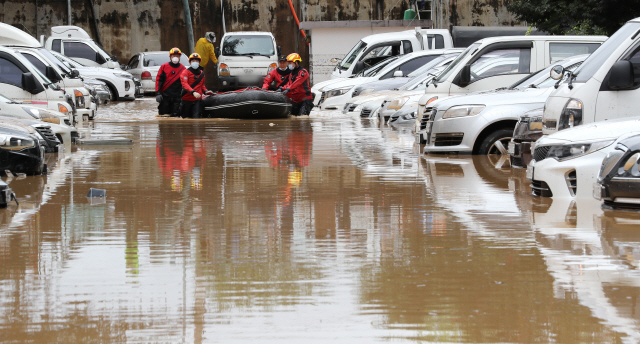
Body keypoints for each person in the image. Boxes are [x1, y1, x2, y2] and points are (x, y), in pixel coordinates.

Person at [180, 53, 213, 118]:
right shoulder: (185, 72)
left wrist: (206, 91)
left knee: (196, 118)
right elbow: (184, 84)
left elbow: (202, 85)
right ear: (190, 62)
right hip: (186, 100)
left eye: (197, 61)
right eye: (193, 61)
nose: (195, 62)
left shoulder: (201, 73)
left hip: (197, 100)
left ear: (199, 62)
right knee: (185, 119)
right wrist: (193, 92)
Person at [155, 47, 186, 117]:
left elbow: (185, 84)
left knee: (175, 116)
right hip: (165, 97)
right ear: (170, 56)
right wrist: (158, 93)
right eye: (173, 56)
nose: (175, 57)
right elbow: (159, 80)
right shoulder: (164, 67)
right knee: (163, 116)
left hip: (177, 98)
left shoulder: (183, 69)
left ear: (180, 57)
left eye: (177, 56)